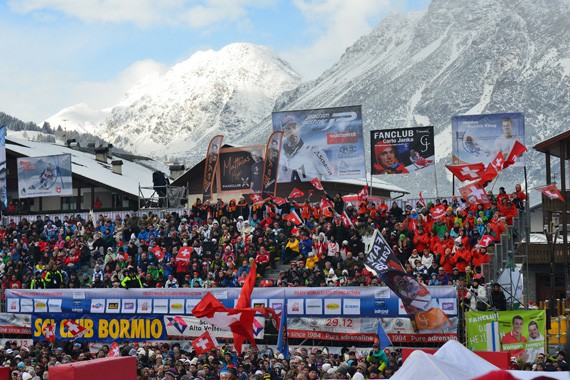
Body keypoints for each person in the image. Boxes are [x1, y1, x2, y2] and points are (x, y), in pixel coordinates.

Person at [278, 115, 334, 182]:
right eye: (288, 129)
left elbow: (330, 178)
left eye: (294, 127)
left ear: (298, 129)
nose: (292, 132)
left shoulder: (313, 151)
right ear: (283, 133)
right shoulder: (283, 160)